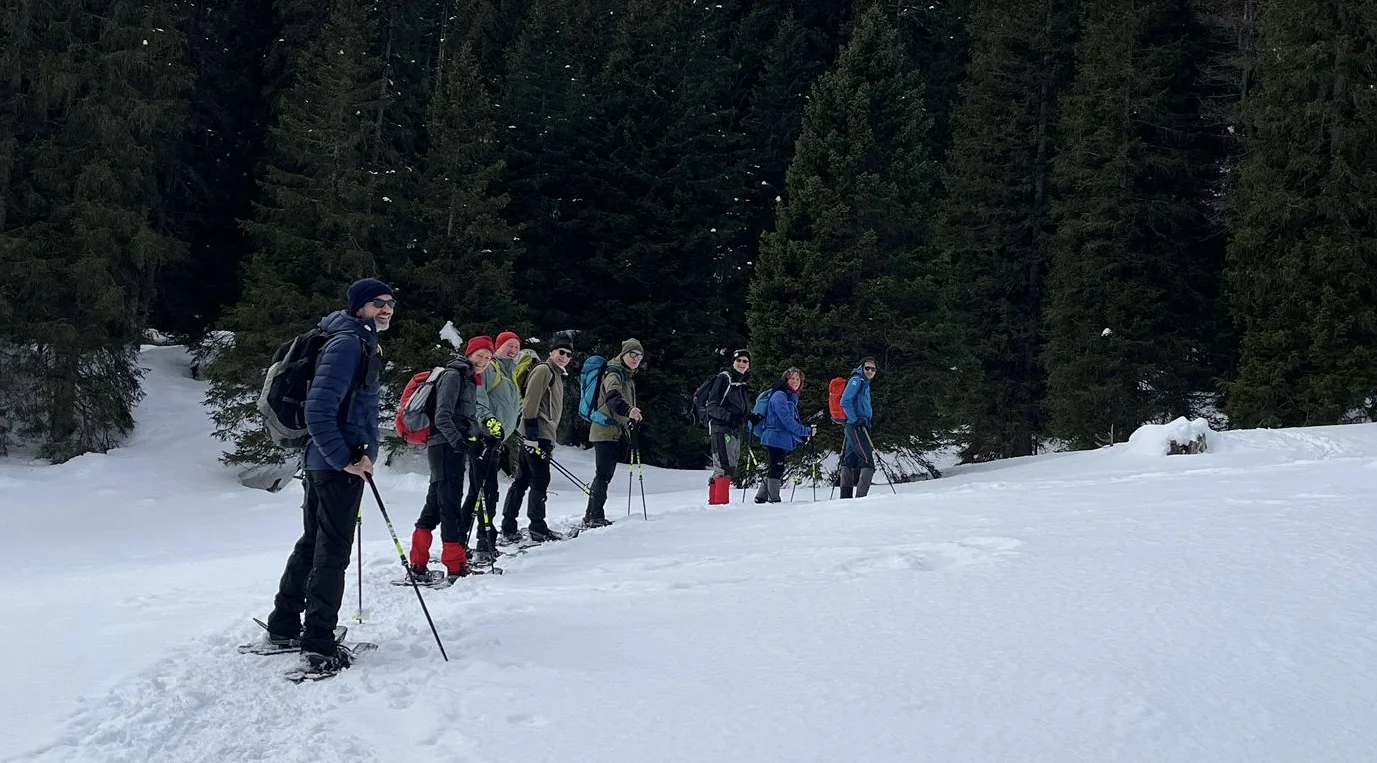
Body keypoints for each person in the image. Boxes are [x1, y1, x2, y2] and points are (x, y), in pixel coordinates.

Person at [263, 278, 393, 673]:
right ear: (358, 307)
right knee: (331, 552)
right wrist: (346, 459)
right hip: (336, 464)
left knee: (313, 544)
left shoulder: (352, 338)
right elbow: (319, 409)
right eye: (377, 304)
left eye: (389, 303)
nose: (386, 309)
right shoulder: (348, 343)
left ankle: (284, 625)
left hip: (328, 461)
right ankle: (319, 642)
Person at [406, 336, 483, 580]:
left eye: (488, 357)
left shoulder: (469, 379)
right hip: (445, 448)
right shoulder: (453, 375)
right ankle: (455, 566)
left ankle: (418, 564)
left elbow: (465, 418)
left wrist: (480, 436)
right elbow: (443, 417)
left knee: (435, 505)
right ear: (469, 354)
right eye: (479, 355)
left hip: (449, 448)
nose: (483, 361)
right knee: (450, 505)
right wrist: (460, 443)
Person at [501, 334, 572, 542]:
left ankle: (509, 524)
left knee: (522, 479)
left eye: (568, 354)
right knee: (540, 479)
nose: (564, 357)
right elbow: (531, 401)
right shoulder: (544, 370)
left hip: (542, 433)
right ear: (552, 351)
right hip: (537, 434)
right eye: (561, 352)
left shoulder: (557, 374)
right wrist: (531, 432)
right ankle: (537, 526)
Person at [463, 331, 522, 558]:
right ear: (498, 347)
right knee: (481, 491)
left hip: (497, 440)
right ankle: (469, 538)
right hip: (484, 439)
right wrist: (490, 422)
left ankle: (480, 538)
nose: (513, 350)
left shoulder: (510, 374)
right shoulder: (490, 368)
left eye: (516, 346)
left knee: (488, 490)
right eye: (509, 345)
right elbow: (478, 400)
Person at [584, 338, 644, 527]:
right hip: (604, 431)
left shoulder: (625, 374)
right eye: (632, 354)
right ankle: (595, 516)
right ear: (623, 354)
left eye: (639, 356)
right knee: (603, 474)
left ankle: (592, 514)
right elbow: (612, 397)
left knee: (604, 474)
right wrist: (629, 411)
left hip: (611, 430)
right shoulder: (614, 372)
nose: (635, 359)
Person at [753, 367, 815, 504]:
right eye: (792, 378)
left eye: (798, 379)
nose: (795, 381)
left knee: (774, 466)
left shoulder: (790, 396)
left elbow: (789, 421)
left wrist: (802, 435)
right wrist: (805, 431)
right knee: (777, 467)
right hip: (774, 436)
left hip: (779, 437)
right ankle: (774, 499)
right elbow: (786, 420)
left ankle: (761, 496)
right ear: (786, 380)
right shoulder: (780, 395)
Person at [704, 349, 752, 505]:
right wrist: (729, 417)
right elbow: (712, 406)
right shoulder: (724, 379)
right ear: (733, 362)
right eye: (739, 361)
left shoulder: (741, 383)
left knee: (726, 467)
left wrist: (750, 416)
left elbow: (740, 409)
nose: (742, 364)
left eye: (745, 361)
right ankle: (720, 505)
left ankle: (715, 504)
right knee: (724, 467)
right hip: (722, 428)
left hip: (734, 429)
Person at [839, 357, 878, 498]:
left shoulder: (864, 383)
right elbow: (845, 400)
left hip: (857, 424)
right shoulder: (857, 380)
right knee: (868, 461)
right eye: (867, 368)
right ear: (861, 368)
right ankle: (861, 497)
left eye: (872, 369)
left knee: (849, 459)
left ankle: (845, 497)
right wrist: (855, 419)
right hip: (857, 426)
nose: (870, 371)